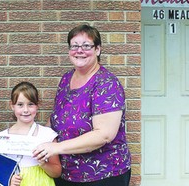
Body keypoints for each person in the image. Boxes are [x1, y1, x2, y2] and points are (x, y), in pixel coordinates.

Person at [33, 24, 131, 186]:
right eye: (75, 46)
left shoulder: (106, 84)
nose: (80, 50)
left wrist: (55, 148)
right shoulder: (66, 79)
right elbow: (57, 118)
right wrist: (36, 137)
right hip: (68, 174)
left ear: (98, 50)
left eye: (86, 46)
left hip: (104, 175)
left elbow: (104, 135)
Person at [0, 81, 61, 186]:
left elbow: (57, 172)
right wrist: (8, 179)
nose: (26, 110)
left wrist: (44, 164)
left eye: (30, 104)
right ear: (12, 106)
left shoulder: (47, 135)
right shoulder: (3, 137)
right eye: (20, 105)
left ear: (37, 105)